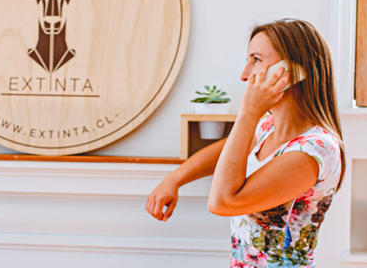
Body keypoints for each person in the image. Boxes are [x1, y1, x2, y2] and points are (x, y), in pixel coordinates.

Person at [146, 19, 345, 268]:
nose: (244, 75)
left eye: (256, 60)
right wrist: (174, 179)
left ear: (292, 71)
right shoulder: (267, 127)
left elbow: (222, 202)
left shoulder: (314, 150)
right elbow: (227, 152)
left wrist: (248, 113)